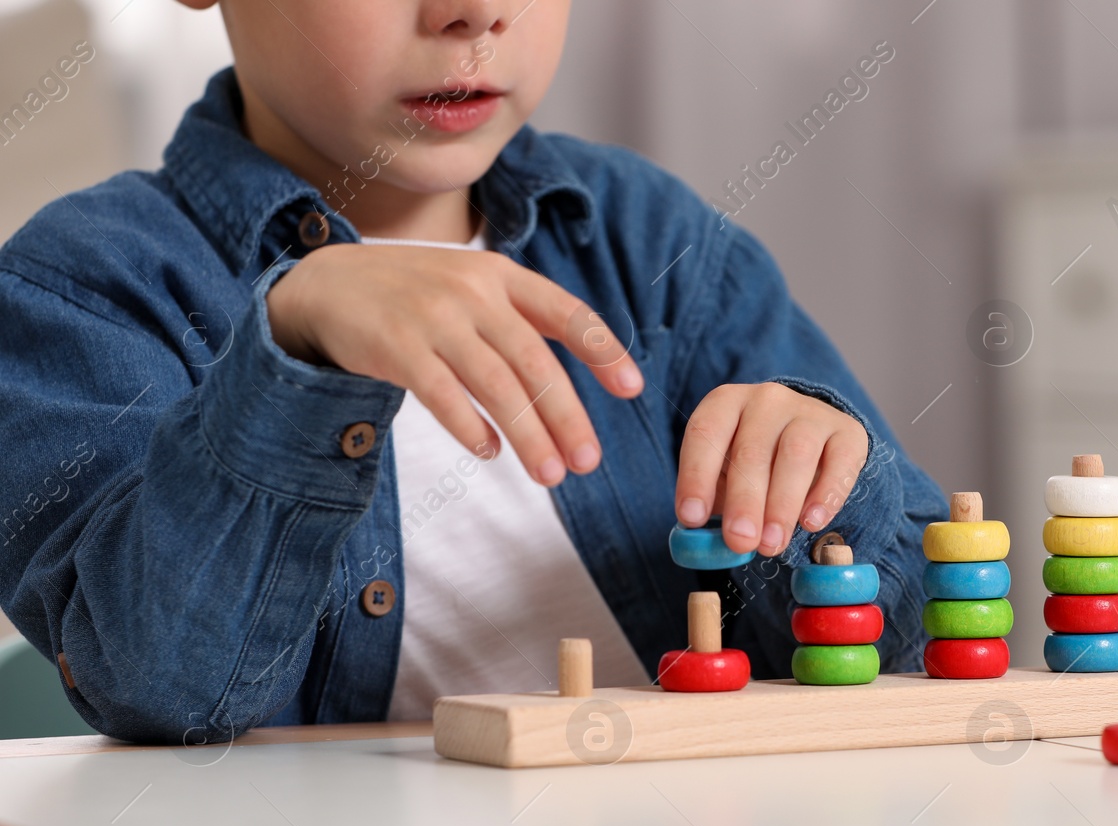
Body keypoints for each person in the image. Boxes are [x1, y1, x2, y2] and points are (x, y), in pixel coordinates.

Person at [0, 0, 944, 744]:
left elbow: (920, 622)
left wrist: (829, 489)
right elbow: (162, 691)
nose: (475, 12)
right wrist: (296, 357)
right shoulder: (83, 288)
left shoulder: (656, 243)